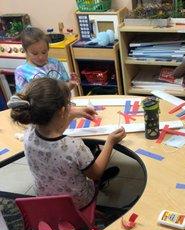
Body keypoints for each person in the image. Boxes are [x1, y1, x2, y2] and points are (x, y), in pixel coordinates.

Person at [8, 77, 125, 210]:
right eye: (69, 105)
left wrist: (76, 112)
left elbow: (53, 127)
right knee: (92, 173)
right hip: (77, 203)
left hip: (45, 199)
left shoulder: (29, 133)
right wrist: (110, 142)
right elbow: (96, 173)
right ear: (62, 111)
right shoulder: (73, 145)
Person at [15, 26, 79, 93]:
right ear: (26, 51)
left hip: (61, 103)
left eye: (44, 52)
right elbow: (21, 97)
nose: (41, 57)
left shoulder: (56, 63)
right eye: (35, 54)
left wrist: (71, 84)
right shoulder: (21, 71)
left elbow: (65, 88)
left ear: (48, 48)